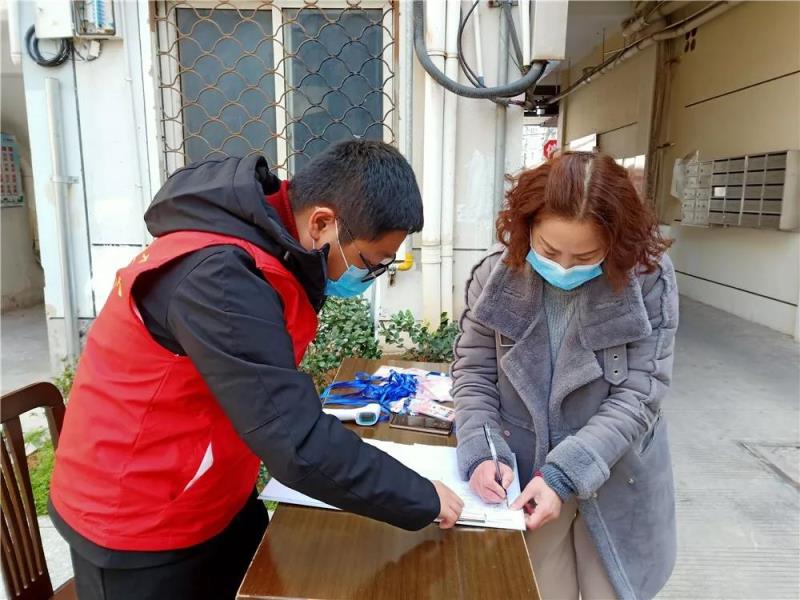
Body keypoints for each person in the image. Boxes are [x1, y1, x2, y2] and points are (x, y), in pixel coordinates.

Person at [49, 140, 464, 600]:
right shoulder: (218, 276)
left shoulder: (268, 245)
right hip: (137, 517)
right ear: (322, 222)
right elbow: (295, 442)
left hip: (210, 486)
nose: (369, 278)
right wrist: (420, 495)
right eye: (370, 263)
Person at [453, 151, 678, 600]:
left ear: (617, 241)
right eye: (549, 251)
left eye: (587, 255)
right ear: (526, 227)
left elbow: (639, 394)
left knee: (611, 588)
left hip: (614, 468)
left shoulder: (648, 280)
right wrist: (482, 452)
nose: (565, 268)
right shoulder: (496, 274)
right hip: (523, 478)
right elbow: (473, 372)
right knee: (532, 589)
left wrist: (563, 475)